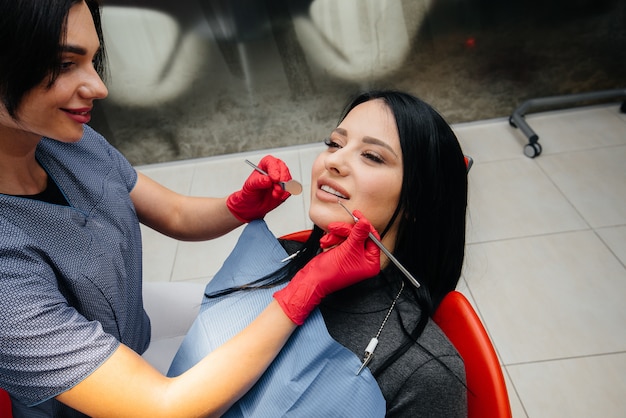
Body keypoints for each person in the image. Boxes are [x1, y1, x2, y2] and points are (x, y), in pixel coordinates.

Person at [0, 1, 382, 417]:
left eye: (93, 60)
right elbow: (162, 408)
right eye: (65, 64)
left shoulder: (63, 140)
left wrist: (236, 207)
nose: (98, 87)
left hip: (136, 336)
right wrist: (303, 290)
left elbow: (175, 213)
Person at [169, 90, 469, 417]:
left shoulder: (423, 371)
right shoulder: (274, 259)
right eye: (335, 143)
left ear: (417, 201)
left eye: (371, 156)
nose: (333, 160)